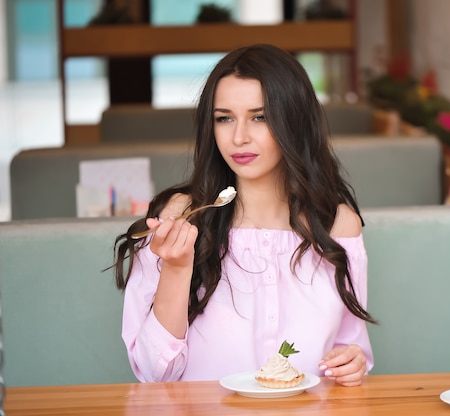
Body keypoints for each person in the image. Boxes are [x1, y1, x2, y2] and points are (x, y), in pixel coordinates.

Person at [112, 43, 376, 386]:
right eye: (224, 118)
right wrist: (177, 269)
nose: (239, 137)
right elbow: (153, 374)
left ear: (294, 122)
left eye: (260, 117)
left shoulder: (338, 226)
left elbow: (350, 347)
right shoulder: (181, 217)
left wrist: (352, 362)